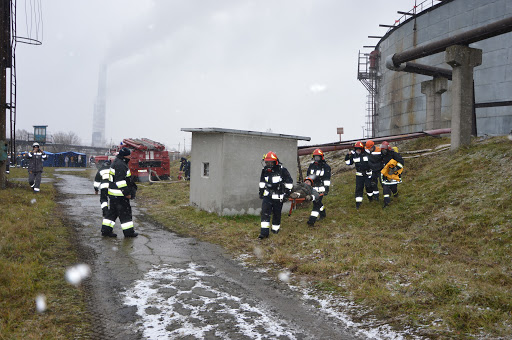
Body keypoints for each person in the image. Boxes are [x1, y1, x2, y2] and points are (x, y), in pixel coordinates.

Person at [102, 148, 138, 238]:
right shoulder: (120, 165)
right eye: (129, 155)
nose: (130, 157)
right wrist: (127, 193)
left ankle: (106, 231)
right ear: (125, 156)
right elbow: (120, 181)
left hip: (114, 195)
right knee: (125, 214)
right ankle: (129, 232)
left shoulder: (117, 162)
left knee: (112, 213)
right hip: (120, 195)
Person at [258, 151, 293, 239]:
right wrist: (261, 192)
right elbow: (262, 182)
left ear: (275, 162)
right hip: (267, 196)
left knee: (277, 214)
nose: (269, 164)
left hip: (278, 197)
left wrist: (287, 194)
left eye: (270, 162)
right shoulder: (264, 170)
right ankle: (264, 233)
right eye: (267, 162)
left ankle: (275, 230)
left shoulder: (282, 170)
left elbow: (289, 182)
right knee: (265, 214)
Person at [306, 149, 331, 225]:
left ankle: (311, 220)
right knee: (317, 202)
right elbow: (308, 176)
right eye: (315, 157)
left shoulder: (326, 167)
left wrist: (326, 189)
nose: (316, 159)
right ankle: (323, 213)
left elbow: (327, 179)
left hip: (321, 188)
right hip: (313, 188)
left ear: (322, 157)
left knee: (316, 205)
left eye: (318, 157)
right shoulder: (311, 166)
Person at [345, 141, 372, 209]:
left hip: (368, 173)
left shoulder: (367, 153)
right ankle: (358, 204)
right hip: (359, 175)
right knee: (359, 189)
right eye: (357, 149)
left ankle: (371, 198)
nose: (358, 150)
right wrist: (347, 156)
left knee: (369, 187)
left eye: (359, 149)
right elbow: (348, 163)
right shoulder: (354, 155)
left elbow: (372, 161)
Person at [380, 142, 404, 208]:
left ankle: (395, 194)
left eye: (384, 149)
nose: (383, 151)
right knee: (385, 188)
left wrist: (396, 168)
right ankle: (386, 203)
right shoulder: (382, 155)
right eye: (382, 150)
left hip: (394, 174)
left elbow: (401, 163)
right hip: (386, 175)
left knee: (393, 187)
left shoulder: (394, 154)